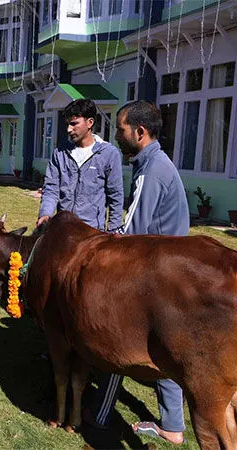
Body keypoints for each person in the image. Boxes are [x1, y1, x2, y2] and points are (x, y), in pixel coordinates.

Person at [85, 100, 189, 445]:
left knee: (117, 339)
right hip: (169, 271)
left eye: (120, 129)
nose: (117, 135)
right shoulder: (153, 162)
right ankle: (173, 426)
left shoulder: (152, 170)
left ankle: (98, 415)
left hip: (154, 275)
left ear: (139, 133)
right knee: (165, 349)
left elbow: (133, 229)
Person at [37, 98, 124, 232]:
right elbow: (51, 189)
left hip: (91, 234)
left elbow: (115, 196)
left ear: (90, 123)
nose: (68, 129)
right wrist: (45, 214)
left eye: (74, 124)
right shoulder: (60, 153)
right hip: (63, 230)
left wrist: (113, 230)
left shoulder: (109, 154)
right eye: (67, 124)